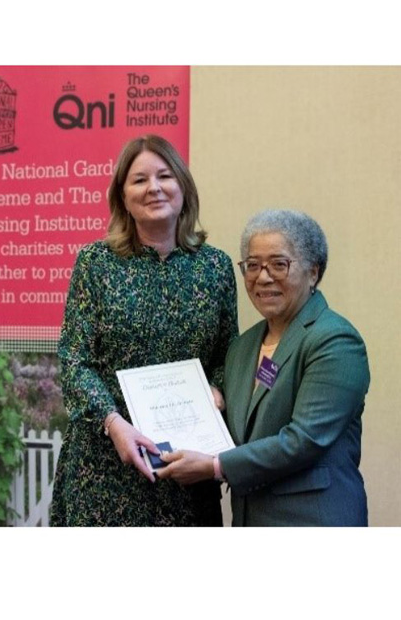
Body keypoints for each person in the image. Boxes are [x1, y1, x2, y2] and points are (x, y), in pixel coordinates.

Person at [51, 134, 238, 526]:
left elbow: (227, 355)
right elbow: (74, 359)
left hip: (187, 468)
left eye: (164, 176)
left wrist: (217, 392)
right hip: (105, 466)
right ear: (122, 196)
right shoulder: (95, 263)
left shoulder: (216, 267)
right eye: (139, 180)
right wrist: (112, 422)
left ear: (183, 186)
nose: (153, 188)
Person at [158, 210, 369, 526]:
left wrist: (216, 466)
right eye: (252, 266)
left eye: (279, 264)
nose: (263, 277)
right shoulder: (243, 347)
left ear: (313, 272)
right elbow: (237, 431)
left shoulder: (334, 340)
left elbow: (304, 440)